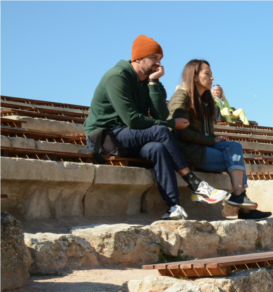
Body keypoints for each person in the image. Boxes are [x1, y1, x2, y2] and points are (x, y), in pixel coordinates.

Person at [82, 35, 230, 221]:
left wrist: (153, 84)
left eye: (160, 58)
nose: (158, 63)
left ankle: (173, 206)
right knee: (161, 131)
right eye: (153, 58)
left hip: (128, 136)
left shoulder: (149, 80)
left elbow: (160, 115)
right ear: (138, 58)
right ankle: (195, 184)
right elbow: (133, 120)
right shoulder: (117, 77)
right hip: (105, 136)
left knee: (157, 148)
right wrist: (170, 124)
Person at [167, 60, 267, 218]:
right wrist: (212, 141)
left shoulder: (206, 100)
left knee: (235, 147)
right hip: (188, 149)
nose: (212, 78)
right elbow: (182, 133)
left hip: (203, 145)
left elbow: (204, 132)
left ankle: (239, 196)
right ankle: (243, 205)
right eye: (207, 74)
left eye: (211, 74)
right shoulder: (182, 97)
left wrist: (214, 138)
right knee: (235, 159)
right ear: (194, 76)